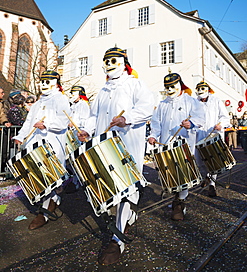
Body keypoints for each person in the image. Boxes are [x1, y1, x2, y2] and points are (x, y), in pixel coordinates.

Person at [77, 47, 154, 266]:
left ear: (123, 62)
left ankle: (117, 238)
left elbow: (147, 107)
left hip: (127, 144)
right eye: (106, 60)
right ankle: (127, 217)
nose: (109, 64)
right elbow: (93, 116)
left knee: (125, 188)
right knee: (109, 188)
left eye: (114, 60)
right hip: (105, 146)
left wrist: (127, 117)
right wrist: (86, 130)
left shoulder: (134, 83)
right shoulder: (102, 90)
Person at [13, 70, 70, 230]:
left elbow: (63, 121)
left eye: (47, 81)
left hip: (52, 144)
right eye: (42, 81)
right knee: (40, 177)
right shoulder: (37, 103)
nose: (44, 85)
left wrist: (47, 124)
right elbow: (28, 122)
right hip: (35, 144)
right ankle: (53, 199)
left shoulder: (62, 99)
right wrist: (20, 136)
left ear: (55, 83)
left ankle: (44, 212)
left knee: (49, 177)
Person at [148, 73, 205, 221]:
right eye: (167, 87)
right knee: (170, 173)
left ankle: (179, 202)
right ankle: (176, 197)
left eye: (173, 86)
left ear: (180, 84)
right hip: (166, 144)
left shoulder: (191, 101)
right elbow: (156, 123)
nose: (170, 89)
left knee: (183, 172)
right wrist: (153, 135)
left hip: (184, 143)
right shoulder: (162, 104)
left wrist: (191, 124)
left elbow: (200, 118)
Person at [195, 81, 231, 197]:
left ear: (208, 90)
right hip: (199, 135)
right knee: (199, 160)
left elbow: (225, 117)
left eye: (203, 88)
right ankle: (205, 176)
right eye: (198, 89)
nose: (201, 91)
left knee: (212, 160)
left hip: (213, 134)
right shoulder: (194, 103)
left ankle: (212, 184)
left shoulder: (216, 101)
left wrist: (221, 125)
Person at [65, 85, 90, 193]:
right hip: (72, 134)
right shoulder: (72, 106)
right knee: (71, 159)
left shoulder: (83, 105)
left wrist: (75, 124)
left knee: (77, 158)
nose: (71, 96)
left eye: (73, 93)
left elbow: (85, 120)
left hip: (79, 134)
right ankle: (74, 180)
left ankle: (77, 182)